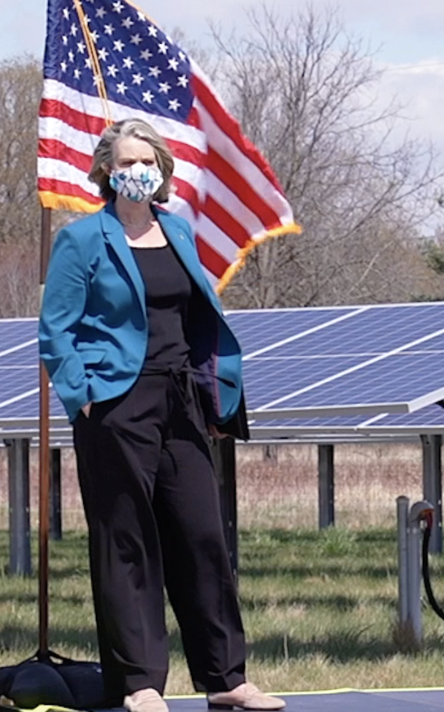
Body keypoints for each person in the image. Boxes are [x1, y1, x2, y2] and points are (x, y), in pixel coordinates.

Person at [38, 119, 283, 712]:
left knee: (202, 537)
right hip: (117, 404)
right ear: (105, 172)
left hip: (181, 403)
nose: (136, 172)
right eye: (124, 163)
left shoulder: (178, 231)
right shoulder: (82, 239)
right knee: (128, 543)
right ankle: (139, 683)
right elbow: (55, 331)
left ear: (163, 171)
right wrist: (84, 395)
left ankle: (226, 679)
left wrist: (217, 395)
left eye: (146, 161)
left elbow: (200, 317)